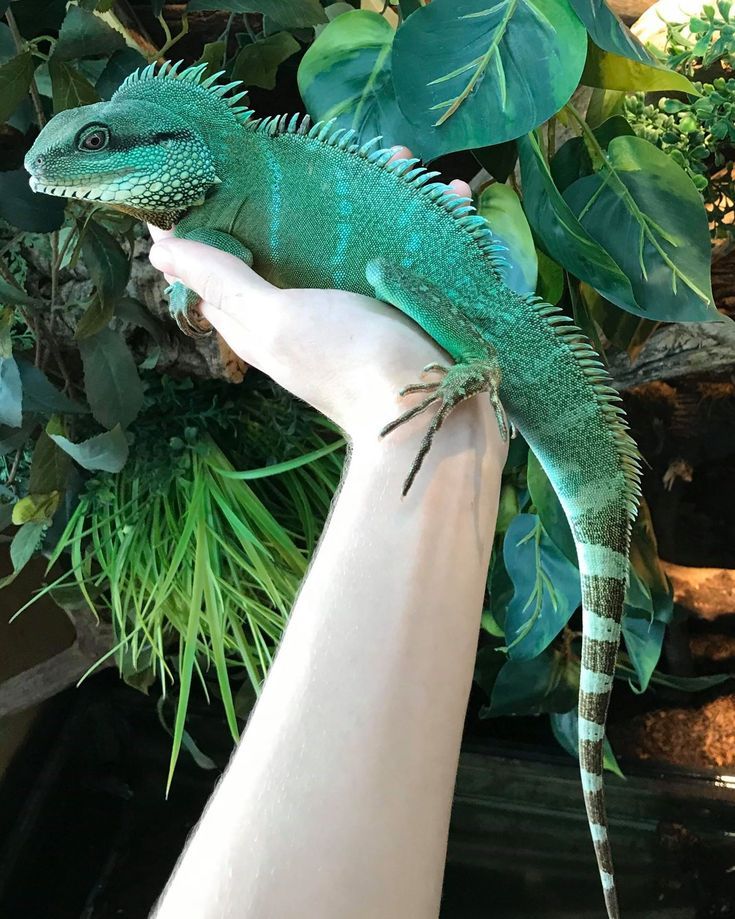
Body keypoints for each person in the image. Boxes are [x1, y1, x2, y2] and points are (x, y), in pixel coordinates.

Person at [149, 154, 506, 919]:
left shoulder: (220, 197)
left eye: (103, 145)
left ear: (168, 149)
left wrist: (417, 392)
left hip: (456, 344)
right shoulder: (213, 203)